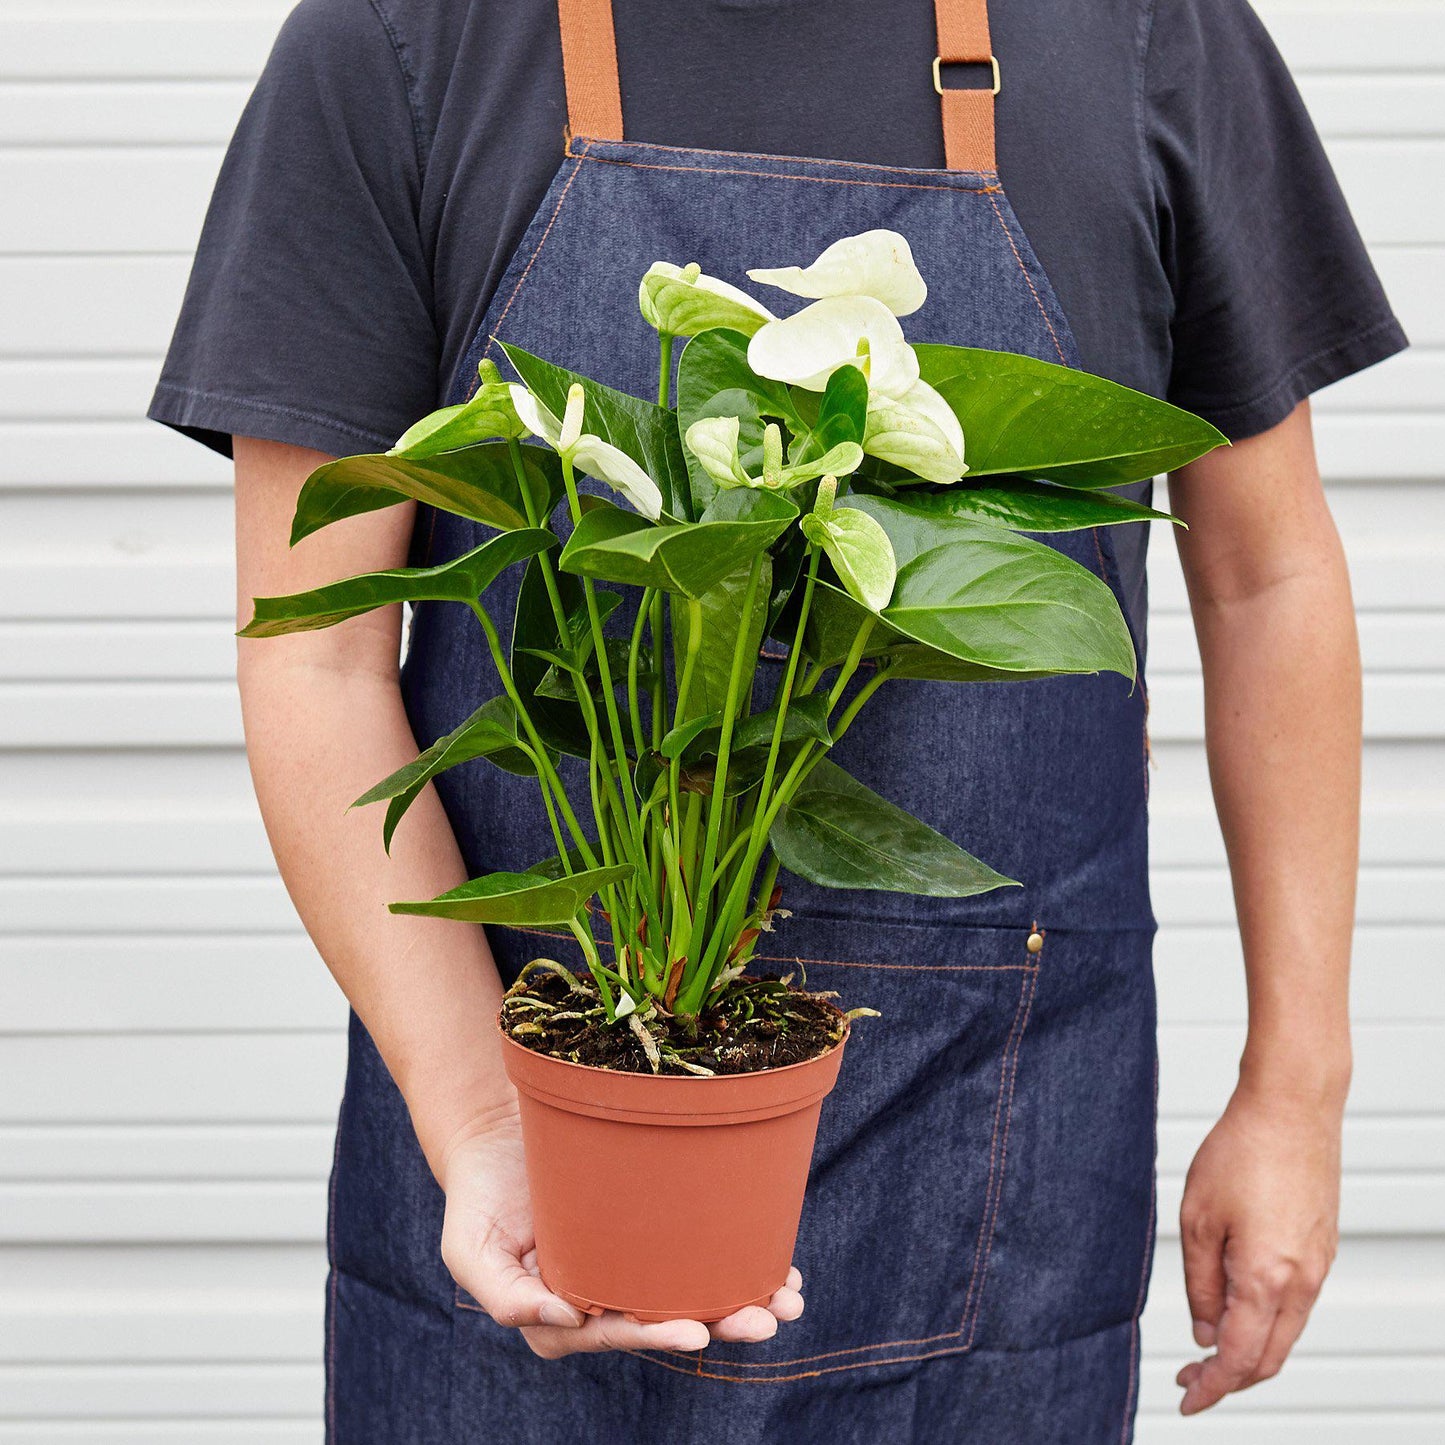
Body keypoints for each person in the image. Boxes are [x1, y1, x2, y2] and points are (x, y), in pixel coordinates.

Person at [148, 0, 1405, 1439]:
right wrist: (485, 1123)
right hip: (518, 1129)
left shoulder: (1143, 31)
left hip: (987, 1142)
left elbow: (1267, 580)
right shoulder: (408, 40)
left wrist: (1294, 1089)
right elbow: (315, 656)